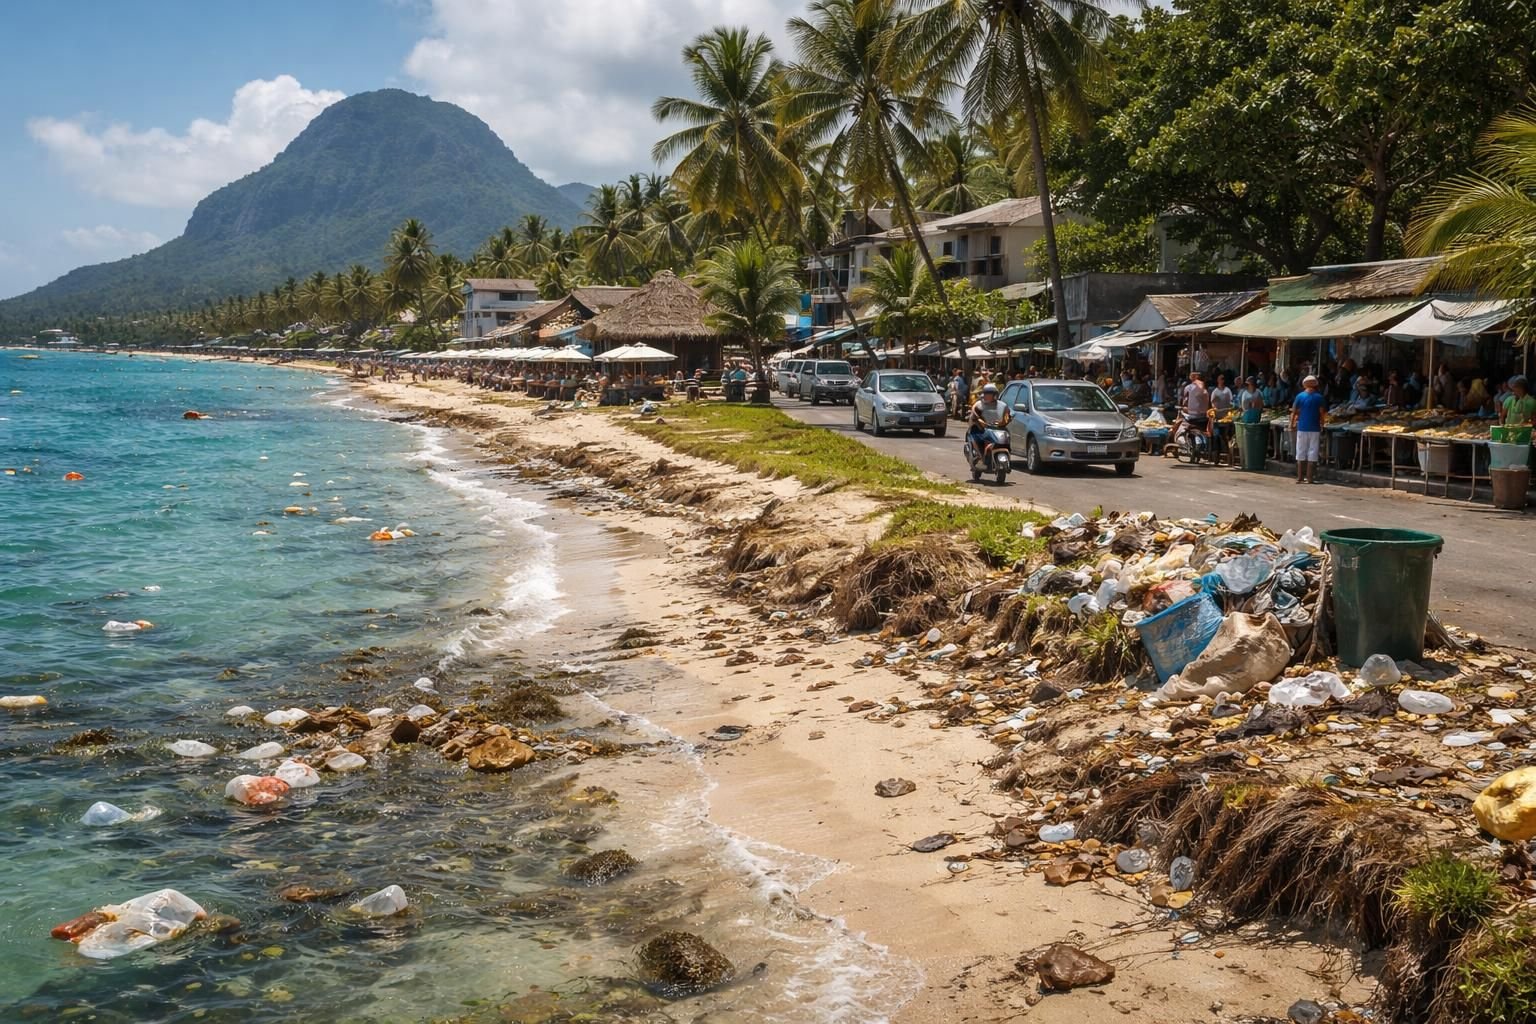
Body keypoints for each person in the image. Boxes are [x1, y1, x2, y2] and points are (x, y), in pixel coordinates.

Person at [1291, 374, 1328, 484]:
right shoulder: (1319, 397)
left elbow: (1294, 412)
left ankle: (1300, 477)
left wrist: (1291, 424)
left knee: (1300, 451)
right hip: (1315, 428)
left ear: (1304, 385)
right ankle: (1310, 478)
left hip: (1302, 427)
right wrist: (1322, 424)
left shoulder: (1300, 396)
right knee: (1313, 452)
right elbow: (1322, 413)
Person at [968, 382, 1013, 452]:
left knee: (1006, 435)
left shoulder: (1003, 405)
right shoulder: (978, 405)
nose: (987, 395)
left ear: (995, 394)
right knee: (976, 436)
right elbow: (974, 413)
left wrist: (1006, 420)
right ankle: (978, 453)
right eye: (986, 393)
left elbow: (1007, 415)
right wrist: (978, 420)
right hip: (981, 428)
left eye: (989, 393)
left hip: (998, 428)